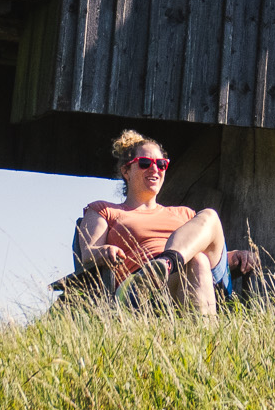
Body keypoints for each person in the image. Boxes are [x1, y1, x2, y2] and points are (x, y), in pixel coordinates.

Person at [73, 130, 254, 316]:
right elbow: (88, 254)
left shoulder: (184, 213)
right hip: (140, 289)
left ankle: (166, 263)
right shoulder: (104, 210)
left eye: (161, 164)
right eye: (145, 163)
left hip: (194, 279)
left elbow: (210, 251)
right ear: (126, 171)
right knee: (198, 259)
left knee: (209, 219)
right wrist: (103, 251)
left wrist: (238, 256)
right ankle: (204, 339)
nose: (155, 169)